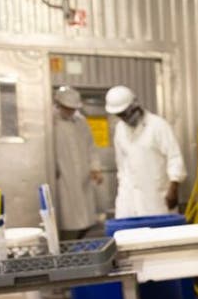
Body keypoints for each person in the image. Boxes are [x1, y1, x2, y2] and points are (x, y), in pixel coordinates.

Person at [104, 84, 186, 218]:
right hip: (129, 197)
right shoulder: (120, 129)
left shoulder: (158, 125)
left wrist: (174, 187)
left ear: (135, 106)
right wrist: (122, 194)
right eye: (120, 115)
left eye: (125, 113)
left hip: (156, 196)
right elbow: (122, 165)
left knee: (159, 234)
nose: (124, 118)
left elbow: (174, 157)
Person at [51, 86, 103, 239]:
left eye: (73, 109)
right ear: (58, 104)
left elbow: (91, 146)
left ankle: (79, 240)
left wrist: (95, 168)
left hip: (83, 176)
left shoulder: (81, 121)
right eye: (67, 108)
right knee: (66, 217)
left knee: (85, 217)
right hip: (62, 177)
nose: (70, 112)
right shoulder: (50, 122)